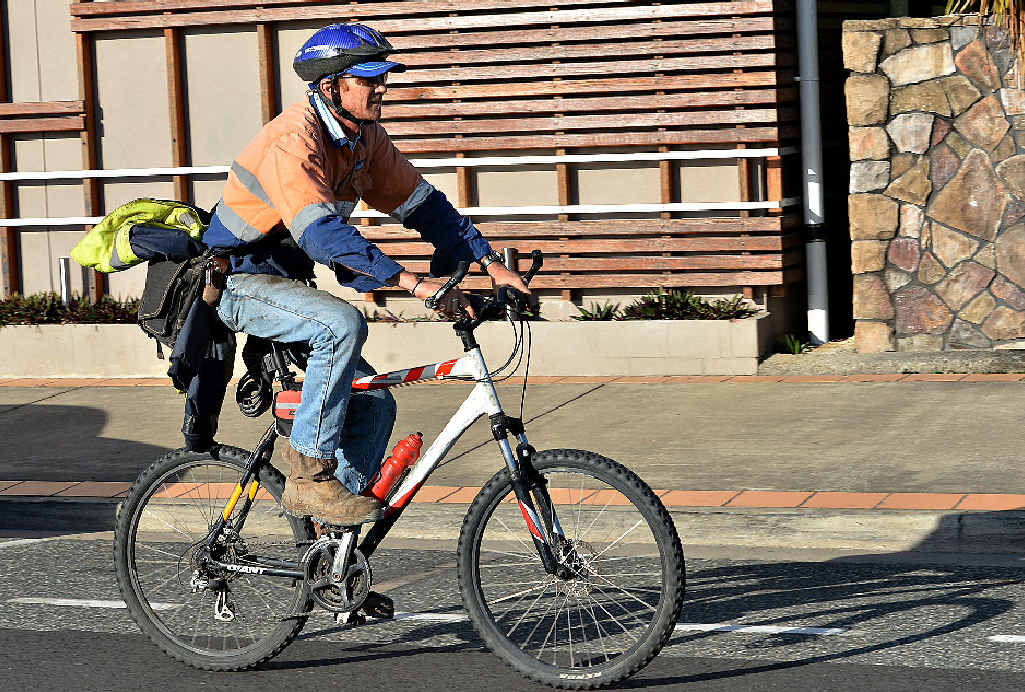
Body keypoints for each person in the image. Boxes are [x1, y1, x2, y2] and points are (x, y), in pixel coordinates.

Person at [202, 23, 529, 525]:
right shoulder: (294, 140)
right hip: (238, 282)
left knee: (374, 405)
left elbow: (425, 207)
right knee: (341, 325)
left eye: (384, 77)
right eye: (369, 78)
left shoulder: (363, 139)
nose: (382, 87)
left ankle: (336, 550)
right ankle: (310, 476)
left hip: (287, 285)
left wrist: (491, 265)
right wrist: (418, 286)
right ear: (331, 87)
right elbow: (323, 237)